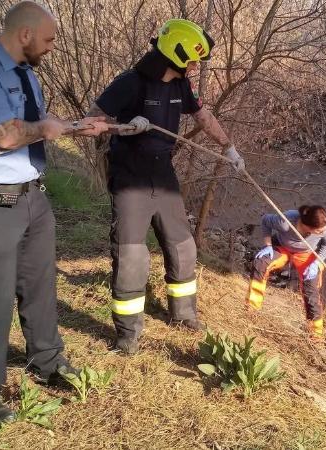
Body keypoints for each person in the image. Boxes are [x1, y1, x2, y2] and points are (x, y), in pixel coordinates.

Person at [0, 1, 109, 424]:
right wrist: (46, 129)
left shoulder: (27, 74)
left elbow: (38, 124)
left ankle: (47, 362)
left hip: (32, 195)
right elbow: (4, 134)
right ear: (25, 34)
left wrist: (76, 127)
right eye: (50, 38)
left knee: (40, 286)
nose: (53, 47)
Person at [86, 19, 244, 354]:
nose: (195, 66)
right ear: (176, 53)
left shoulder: (181, 86)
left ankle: (183, 316)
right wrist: (122, 128)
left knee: (183, 246)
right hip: (131, 178)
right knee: (132, 257)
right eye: (192, 59)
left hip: (164, 176)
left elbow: (202, 116)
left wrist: (228, 147)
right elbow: (91, 121)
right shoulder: (130, 83)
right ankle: (128, 335)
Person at [246, 205, 326, 339]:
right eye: (319, 231)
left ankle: (316, 335)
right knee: (261, 262)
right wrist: (268, 245)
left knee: (311, 287)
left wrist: (317, 262)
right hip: (283, 247)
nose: (324, 231)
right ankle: (252, 307)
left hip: (307, 253)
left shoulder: (325, 226)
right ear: (308, 227)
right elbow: (265, 221)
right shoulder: (286, 222)